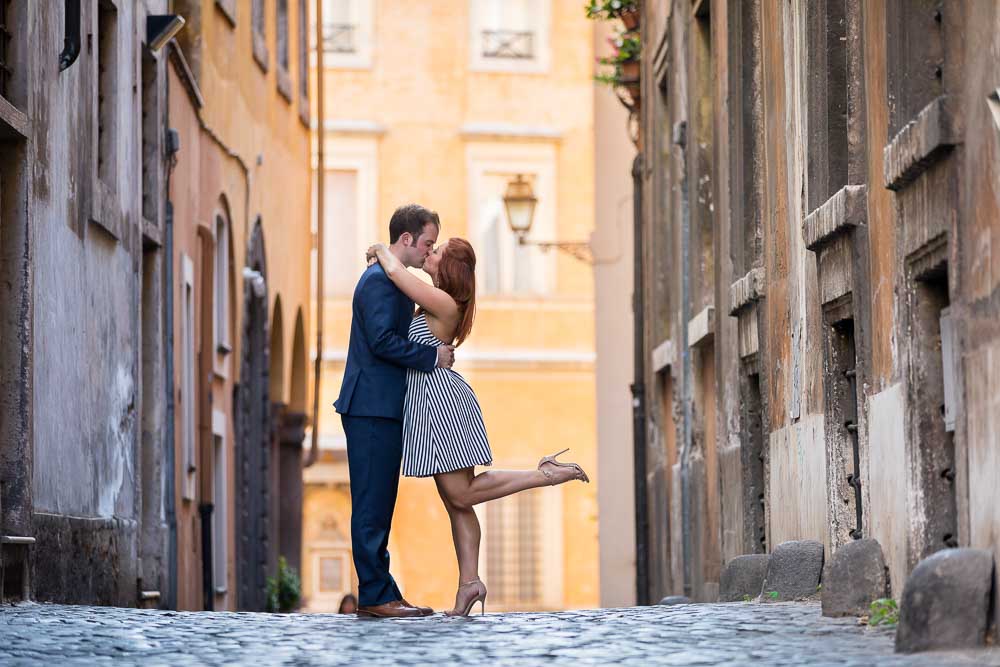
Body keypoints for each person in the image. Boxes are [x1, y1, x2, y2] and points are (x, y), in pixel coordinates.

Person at [367, 234, 589, 617]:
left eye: (435, 252)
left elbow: (400, 276)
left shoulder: (444, 302)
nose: (429, 254)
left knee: (463, 494)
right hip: (432, 402)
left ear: (447, 268)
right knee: (457, 504)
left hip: (439, 402)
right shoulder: (441, 304)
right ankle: (469, 584)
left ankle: (545, 474)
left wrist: (383, 251)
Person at [334, 204, 456, 619]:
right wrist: (432, 357)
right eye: (427, 243)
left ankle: (382, 591)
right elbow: (383, 340)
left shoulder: (391, 280)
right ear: (406, 240)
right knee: (371, 504)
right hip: (369, 407)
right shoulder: (378, 284)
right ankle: (375, 595)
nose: (428, 252)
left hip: (380, 406)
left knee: (380, 502)